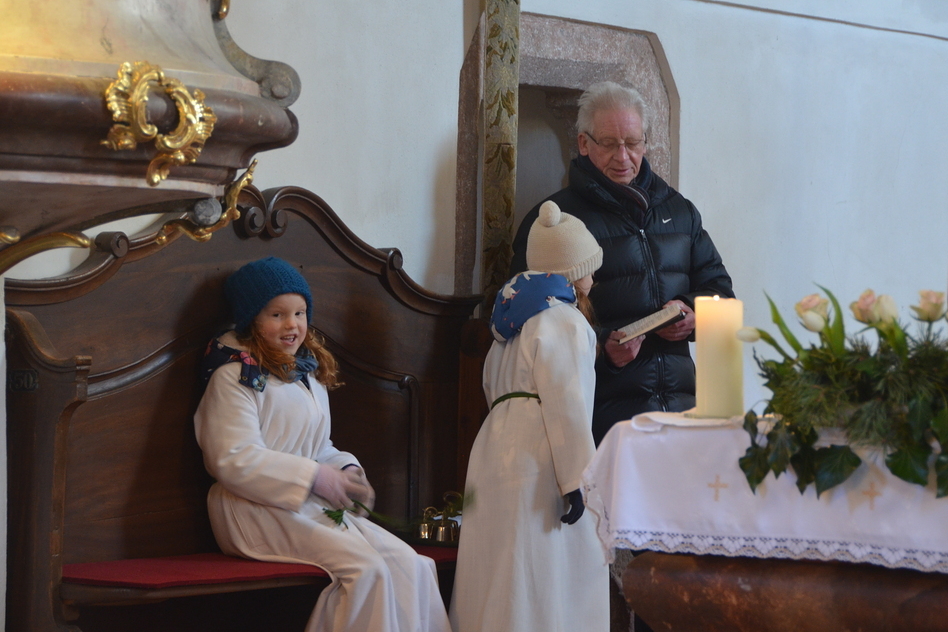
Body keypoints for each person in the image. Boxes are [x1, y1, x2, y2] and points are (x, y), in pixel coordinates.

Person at [194, 256, 452, 632]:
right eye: (277, 315)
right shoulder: (235, 377)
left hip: (307, 504)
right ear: (252, 320)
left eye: (299, 313)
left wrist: (345, 471)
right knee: (367, 570)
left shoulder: (306, 374)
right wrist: (314, 477)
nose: (292, 325)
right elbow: (232, 458)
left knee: (412, 563)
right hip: (251, 510)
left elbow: (317, 446)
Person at [511, 81, 735, 443]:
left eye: (632, 143)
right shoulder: (555, 223)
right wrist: (604, 347)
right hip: (602, 417)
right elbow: (530, 320)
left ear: (645, 142)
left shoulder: (680, 211)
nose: (623, 156)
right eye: (609, 143)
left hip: (681, 411)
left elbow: (722, 293)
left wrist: (695, 314)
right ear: (584, 143)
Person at [451, 201, 610, 632]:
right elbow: (568, 403)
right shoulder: (565, 320)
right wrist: (577, 479)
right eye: (589, 270)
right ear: (571, 273)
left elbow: (491, 389)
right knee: (545, 573)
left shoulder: (510, 324)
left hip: (494, 452)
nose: (593, 279)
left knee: (500, 572)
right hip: (541, 458)